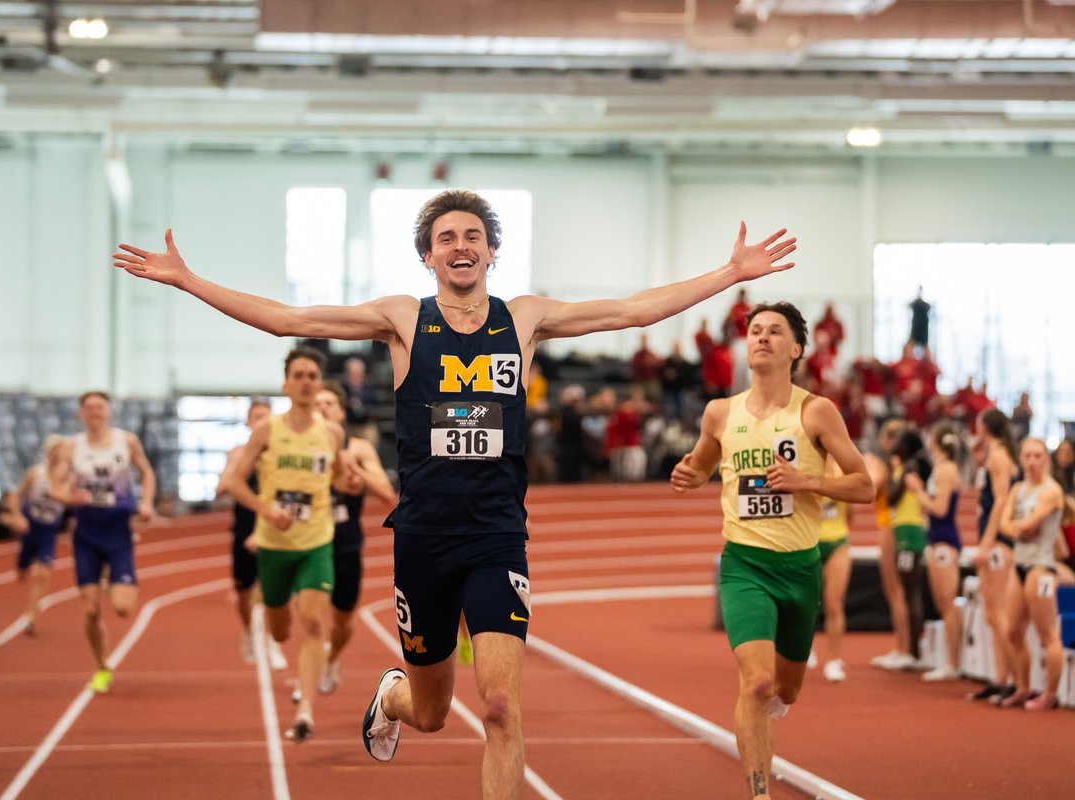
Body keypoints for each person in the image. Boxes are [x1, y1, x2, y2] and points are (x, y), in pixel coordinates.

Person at [114, 189, 796, 799]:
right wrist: (188, 281)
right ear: (428, 257)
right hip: (423, 540)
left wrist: (731, 274)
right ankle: (394, 694)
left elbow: (632, 310)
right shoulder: (402, 320)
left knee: (499, 706)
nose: (461, 246)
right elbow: (286, 317)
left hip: (497, 537)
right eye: (447, 238)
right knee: (435, 711)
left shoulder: (525, 319)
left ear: (492, 252)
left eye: (473, 236)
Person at [669, 301, 873, 800]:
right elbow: (701, 465)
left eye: (774, 332)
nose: (761, 338)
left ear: (796, 348)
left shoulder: (815, 411)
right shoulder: (721, 412)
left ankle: (766, 716)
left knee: (787, 691)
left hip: (800, 569)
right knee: (756, 685)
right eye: (755, 330)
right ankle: (759, 792)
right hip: (745, 566)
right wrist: (689, 474)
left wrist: (807, 480)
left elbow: (864, 486)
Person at [221, 347, 348, 742]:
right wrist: (265, 509)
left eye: (313, 375)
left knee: (313, 622)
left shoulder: (331, 433)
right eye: (300, 375)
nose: (307, 381)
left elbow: (340, 476)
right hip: (274, 544)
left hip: (317, 542)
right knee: (279, 630)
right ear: (286, 384)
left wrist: (353, 482)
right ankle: (274, 621)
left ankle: (305, 710)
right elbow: (235, 484)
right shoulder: (267, 431)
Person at [66, 391, 156, 694]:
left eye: (100, 407)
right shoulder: (71, 448)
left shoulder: (126, 441)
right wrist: (68, 497)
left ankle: (109, 576)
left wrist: (146, 502)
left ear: (108, 412)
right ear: (81, 414)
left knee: (122, 607)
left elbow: (146, 470)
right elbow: (55, 484)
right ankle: (102, 666)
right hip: (87, 533)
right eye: (89, 407)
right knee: (91, 611)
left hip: (118, 531)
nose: (95, 412)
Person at [315, 380, 395, 695]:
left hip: (346, 542)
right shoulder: (302, 446)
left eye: (328, 404)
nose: (322, 409)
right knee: (312, 612)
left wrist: (355, 472)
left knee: (343, 622)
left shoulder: (359, 447)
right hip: (310, 541)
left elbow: (387, 495)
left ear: (341, 410)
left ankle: (331, 657)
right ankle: (313, 664)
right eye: (317, 404)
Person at [216, 398, 287, 668]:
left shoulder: (281, 453)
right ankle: (248, 631)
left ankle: (271, 642)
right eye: (256, 417)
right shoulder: (237, 454)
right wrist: (234, 469)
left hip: (273, 525)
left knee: (273, 588)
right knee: (244, 592)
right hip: (244, 524)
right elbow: (221, 489)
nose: (260, 422)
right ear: (248, 422)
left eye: (265, 417)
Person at [997, 438, 1065, 710]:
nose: (1032, 461)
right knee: (1012, 631)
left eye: (1038, 456)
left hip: (1041, 568)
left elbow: (1032, 524)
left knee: (1047, 634)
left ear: (1045, 459)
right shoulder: (1018, 489)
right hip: (1020, 565)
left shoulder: (1051, 491)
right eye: (1027, 456)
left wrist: (1017, 525)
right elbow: (1005, 524)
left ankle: (1050, 694)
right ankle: (1023, 687)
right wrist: (1018, 526)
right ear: (1021, 458)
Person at [967, 408, 1020, 702]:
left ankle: (1015, 680)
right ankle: (1002, 678)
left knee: (998, 613)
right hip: (994, 538)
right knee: (992, 613)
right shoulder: (994, 456)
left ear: (985, 427)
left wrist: (987, 543)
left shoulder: (998, 457)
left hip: (999, 541)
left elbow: (1001, 501)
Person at [907, 423, 964, 681]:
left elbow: (940, 509)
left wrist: (918, 491)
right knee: (942, 603)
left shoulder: (945, 470)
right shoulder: (942, 469)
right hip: (938, 538)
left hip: (945, 540)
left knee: (947, 603)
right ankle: (950, 660)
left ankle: (953, 662)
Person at [12, 435, 74, 636]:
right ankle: (22, 568)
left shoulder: (71, 482)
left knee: (43, 574)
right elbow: (16, 496)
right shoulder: (35, 474)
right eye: (56, 452)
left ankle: (30, 616)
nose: (59, 457)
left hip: (48, 532)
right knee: (22, 574)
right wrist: (17, 516)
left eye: (63, 453)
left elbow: (74, 505)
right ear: (49, 453)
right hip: (30, 529)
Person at [867, 419, 915, 670]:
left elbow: (872, 490)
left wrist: (869, 468)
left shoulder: (888, 466)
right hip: (891, 525)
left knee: (894, 589)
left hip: (889, 526)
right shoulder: (899, 466)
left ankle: (903, 647)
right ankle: (904, 647)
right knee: (898, 591)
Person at [884, 429, 932, 669]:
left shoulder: (909, 469)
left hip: (909, 533)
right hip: (905, 531)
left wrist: (897, 476)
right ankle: (912, 650)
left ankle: (914, 651)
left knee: (910, 590)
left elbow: (890, 498)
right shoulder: (905, 469)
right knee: (908, 590)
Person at [815, 458, 852, 683]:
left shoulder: (842, 471)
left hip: (837, 541)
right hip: (809, 541)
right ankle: (803, 649)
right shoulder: (807, 465)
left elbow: (851, 511)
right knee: (806, 602)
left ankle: (832, 659)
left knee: (834, 604)